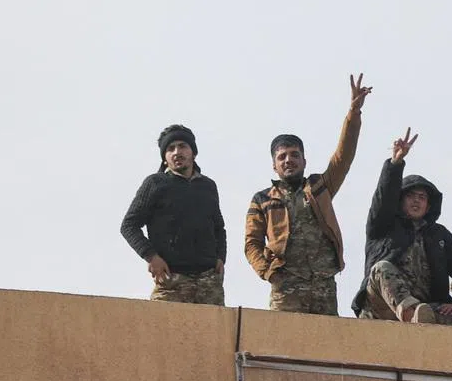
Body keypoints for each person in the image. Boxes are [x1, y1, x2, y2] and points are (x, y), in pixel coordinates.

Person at [244, 74, 372, 315]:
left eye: (294, 155)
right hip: (286, 285)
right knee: (283, 345)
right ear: (274, 165)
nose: (288, 160)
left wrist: (353, 114)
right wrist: (268, 272)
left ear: (304, 160)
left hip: (323, 283)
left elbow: (343, 157)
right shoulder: (262, 199)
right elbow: (251, 243)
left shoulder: (319, 188)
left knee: (325, 347)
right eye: (282, 157)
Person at [352, 130, 452, 326]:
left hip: (426, 310)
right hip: (381, 306)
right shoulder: (383, 225)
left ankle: (418, 317)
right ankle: (410, 314)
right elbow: (384, 198)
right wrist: (395, 164)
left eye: (422, 197)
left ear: (428, 206)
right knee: (382, 268)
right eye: (410, 195)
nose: (416, 200)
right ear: (400, 201)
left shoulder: (438, 235)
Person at [120, 124, 227, 304]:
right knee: (161, 331)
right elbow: (129, 225)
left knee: (214, 332)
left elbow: (218, 228)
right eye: (170, 149)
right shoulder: (155, 183)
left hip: (209, 282)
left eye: (183, 146)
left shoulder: (208, 186)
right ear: (164, 158)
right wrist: (151, 256)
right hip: (171, 280)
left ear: (193, 152)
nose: (177, 152)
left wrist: (221, 258)